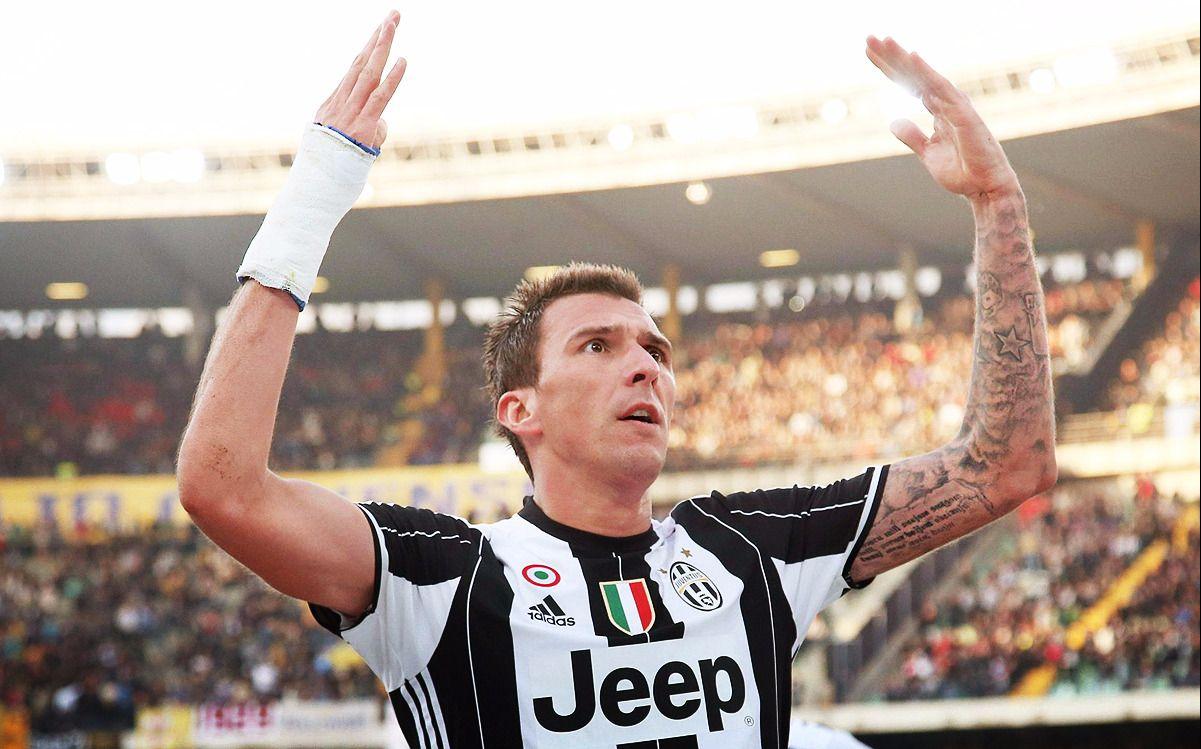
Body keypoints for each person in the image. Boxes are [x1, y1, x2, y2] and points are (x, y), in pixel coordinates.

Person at [176, 11, 1056, 748]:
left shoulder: (749, 550)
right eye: (596, 346)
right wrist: (317, 192)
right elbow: (223, 488)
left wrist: (998, 207)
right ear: (519, 409)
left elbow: (1005, 464)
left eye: (655, 350)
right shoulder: (439, 577)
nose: (643, 364)